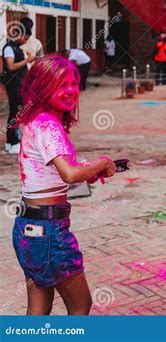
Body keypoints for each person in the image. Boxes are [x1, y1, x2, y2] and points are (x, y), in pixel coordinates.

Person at [12, 56, 117, 315]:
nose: (70, 91)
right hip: (49, 233)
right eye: (60, 85)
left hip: (29, 228)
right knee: (81, 305)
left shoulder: (37, 121)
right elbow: (69, 174)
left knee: (38, 309)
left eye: (73, 83)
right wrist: (102, 163)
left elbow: (55, 173)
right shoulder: (48, 124)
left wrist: (88, 171)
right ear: (42, 88)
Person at [2, 25, 35, 154]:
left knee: (17, 112)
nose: (26, 41)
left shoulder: (16, 48)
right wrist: (27, 60)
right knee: (15, 112)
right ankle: (13, 141)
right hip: (14, 85)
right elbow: (11, 66)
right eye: (25, 38)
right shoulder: (9, 48)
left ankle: (12, 141)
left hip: (19, 85)